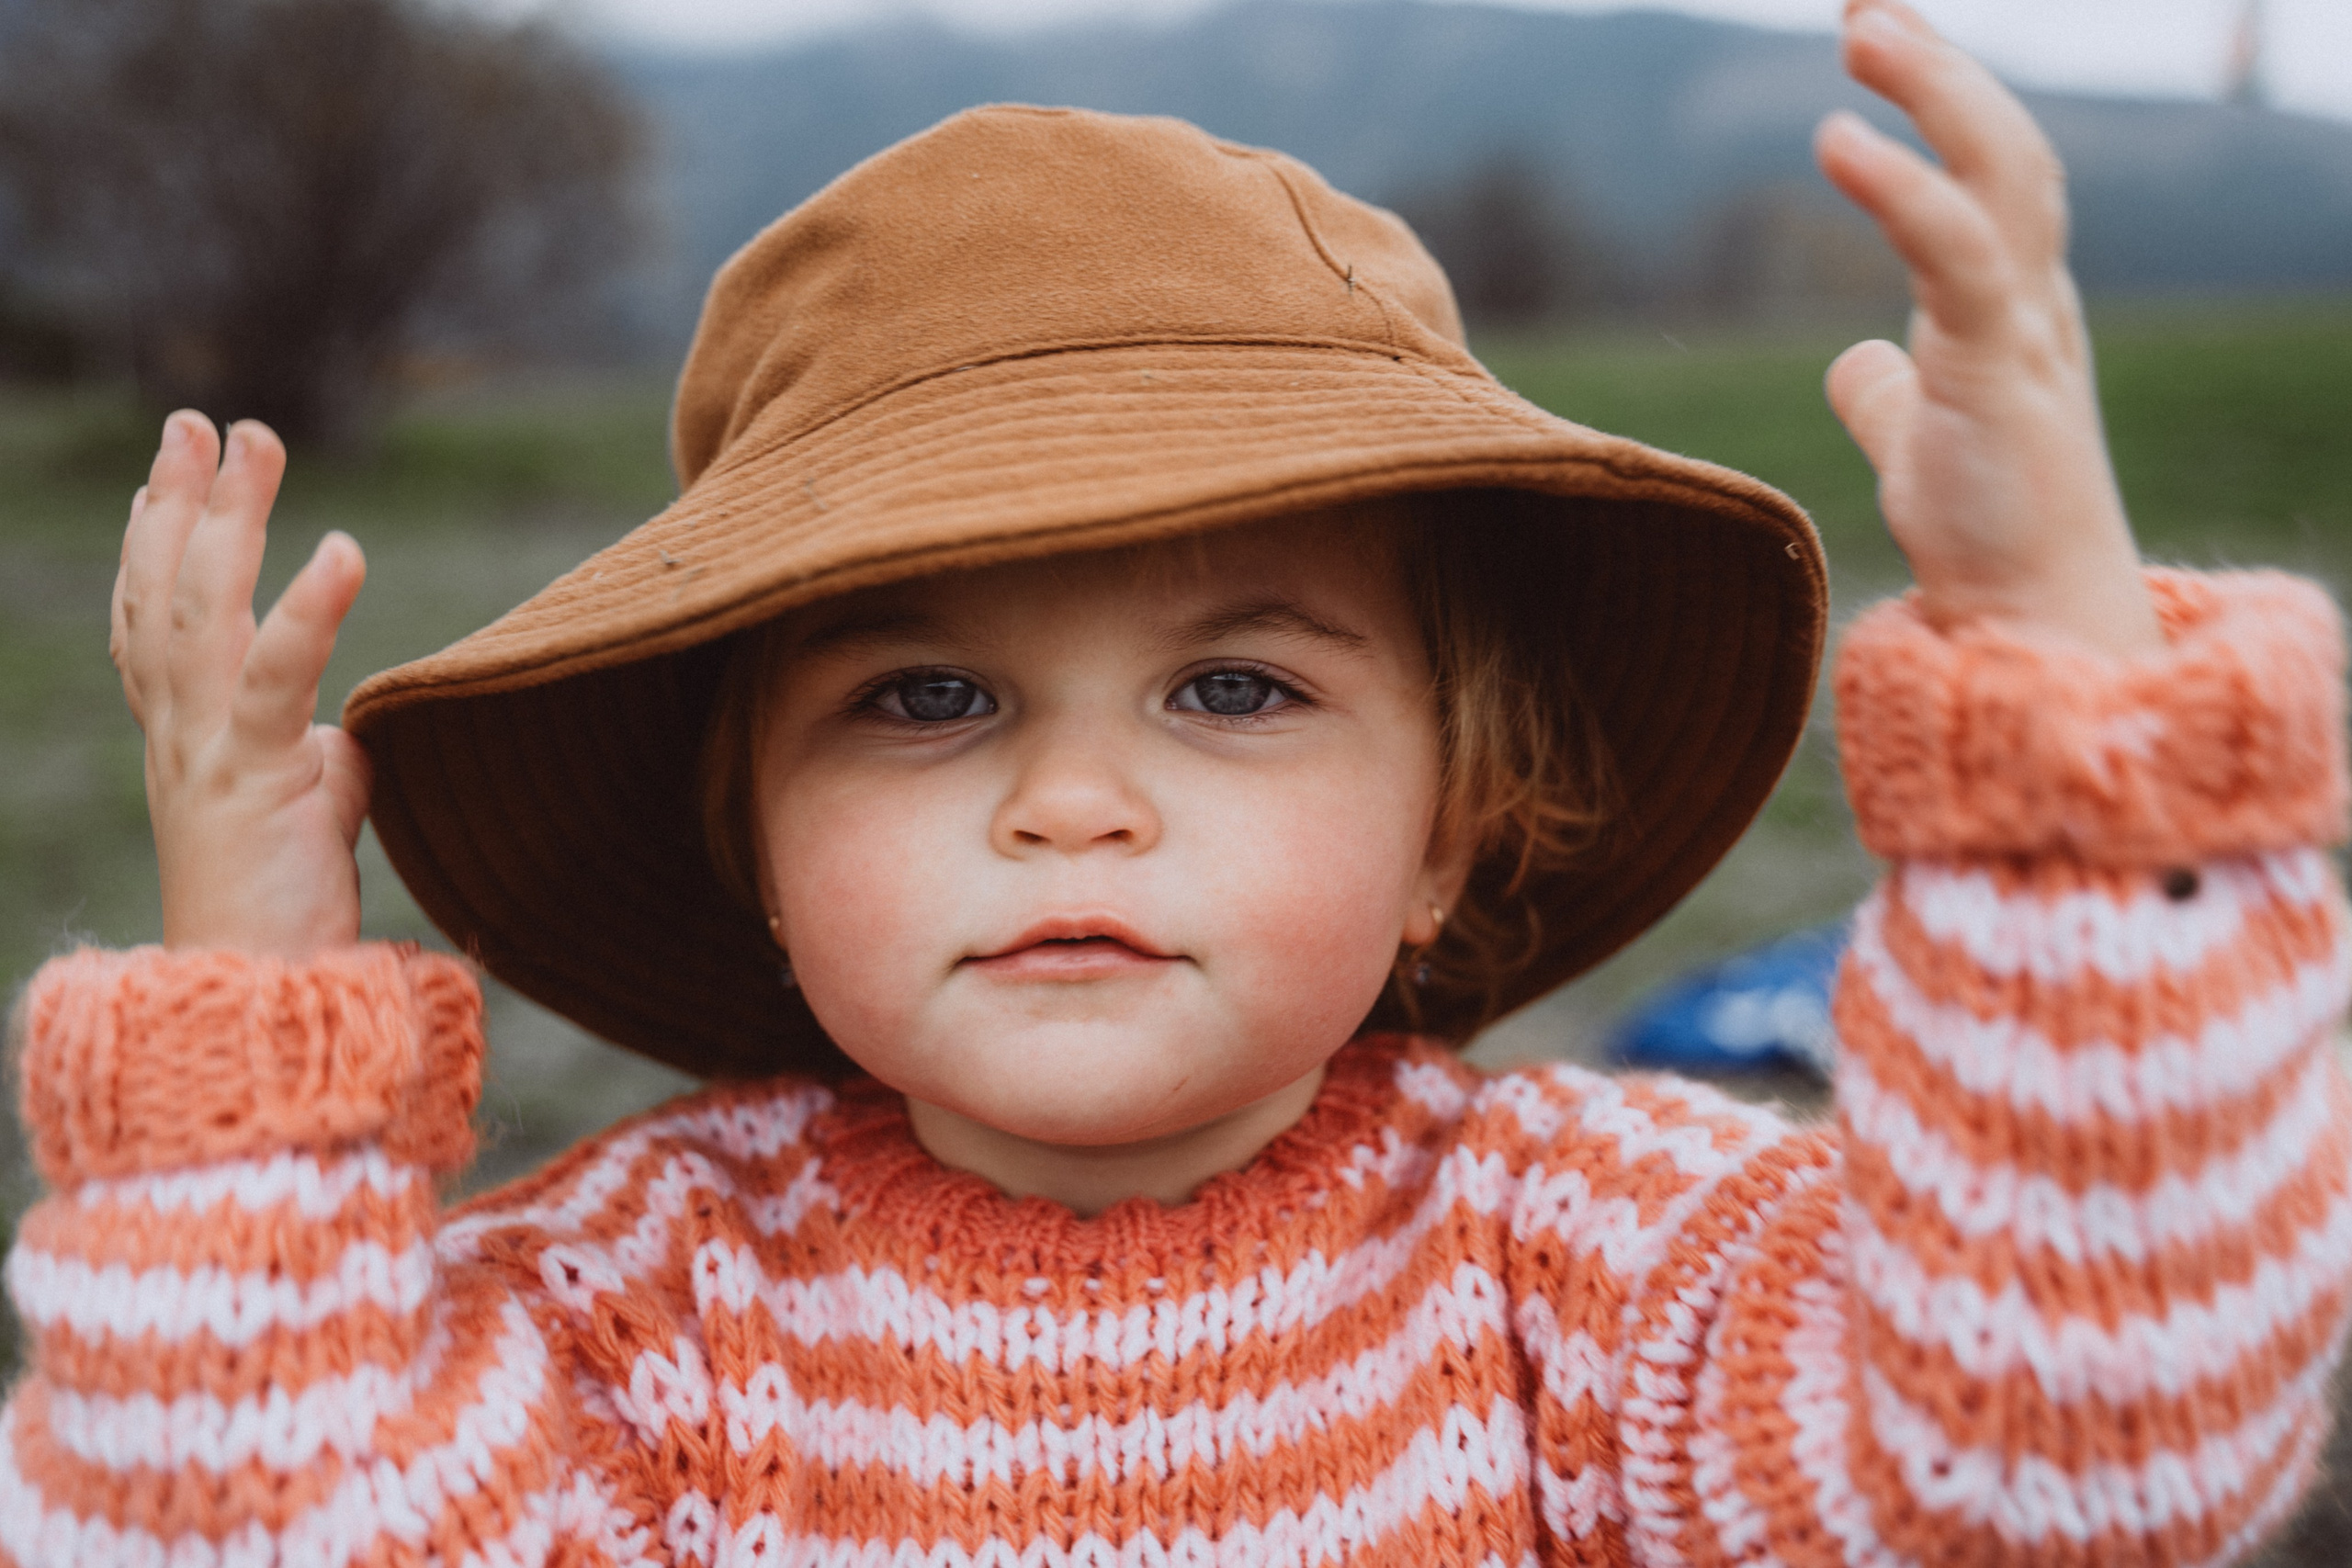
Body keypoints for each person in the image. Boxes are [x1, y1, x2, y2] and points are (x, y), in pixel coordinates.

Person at [7, 1, 2347, 1562]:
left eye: (1232, 691)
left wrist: (2070, 691)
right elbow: (228, 1512)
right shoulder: (646, 1310)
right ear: (758, 848)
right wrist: (243, 1016)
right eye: (923, 700)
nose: (1071, 800)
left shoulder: (1575, 1252)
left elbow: (2059, 1433)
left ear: (1452, 824)